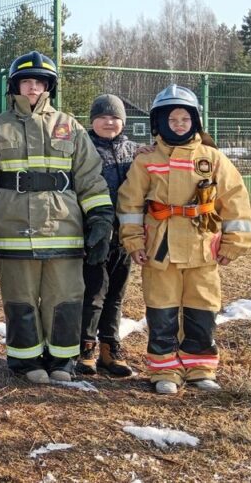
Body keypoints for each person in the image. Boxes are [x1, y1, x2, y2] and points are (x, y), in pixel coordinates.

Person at [0, 51, 113, 384]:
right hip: (12, 231)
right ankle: (25, 361)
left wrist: (101, 219)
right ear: (15, 86)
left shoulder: (70, 127)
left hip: (64, 230)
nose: (33, 88)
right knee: (20, 298)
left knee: (65, 298)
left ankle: (63, 361)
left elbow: (90, 178)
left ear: (49, 87)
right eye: (27, 81)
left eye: (40, 82)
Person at [117, 85, 251, 395]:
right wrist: (134, 241)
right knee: (161, 310)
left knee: (202, 308)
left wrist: (234, 242)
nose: (179, 125)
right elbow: (129, 203)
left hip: (202, 247)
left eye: (185, 119)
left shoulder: (212, 158)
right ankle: (164, 370)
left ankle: (200, 369)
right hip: (159, 250)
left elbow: (235, 200)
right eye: (172, 119)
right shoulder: (147, 160)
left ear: (195, 121)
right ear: (159, 122)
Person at [76, 94, 137, 377]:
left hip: (124, 234)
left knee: (116, 294)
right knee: (94, 293)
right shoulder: (83, 149)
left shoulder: (135, 151)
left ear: (123, 121)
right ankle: (85, 347)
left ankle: (110, 348)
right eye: (102, 117)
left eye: (114, 117)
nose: (108, 122)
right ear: (92, 121)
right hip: (94, 234)